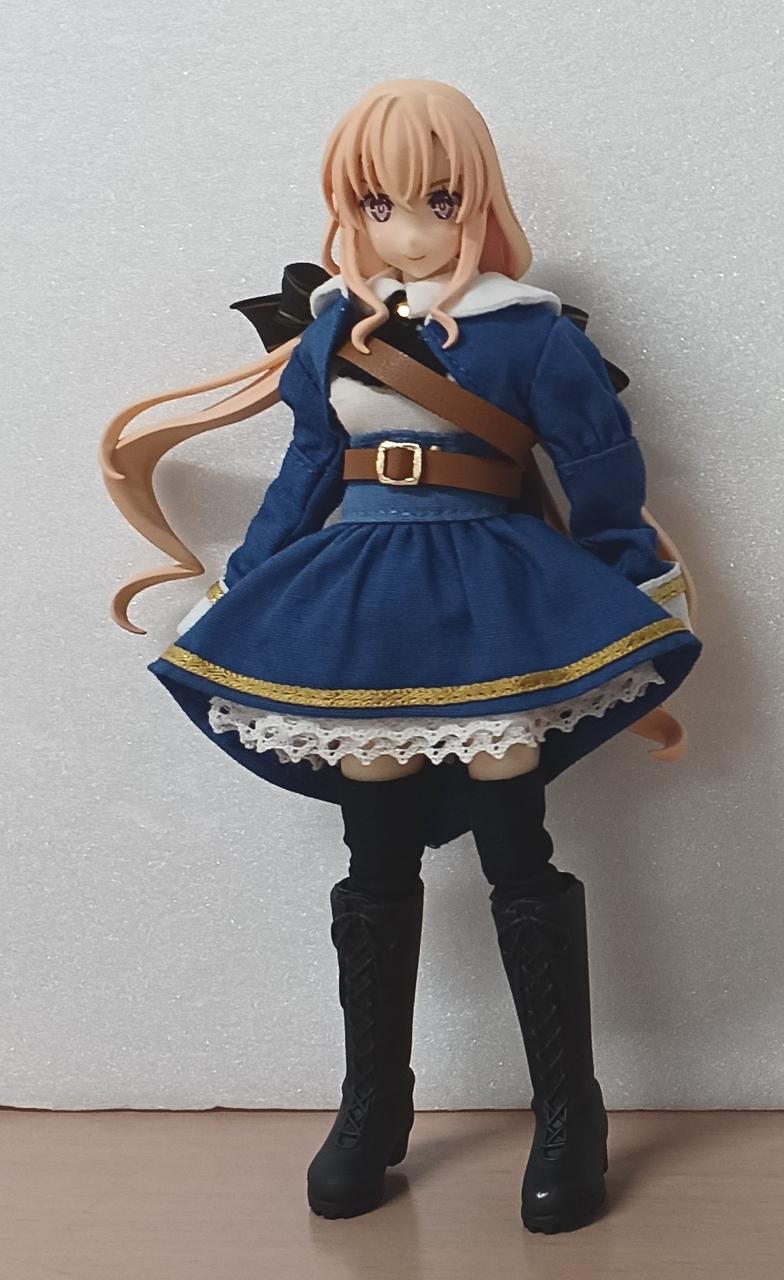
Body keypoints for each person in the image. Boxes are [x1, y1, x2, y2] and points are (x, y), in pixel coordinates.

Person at [101, 78, 702, 1234]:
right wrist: (245, 577)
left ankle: (567, 1109)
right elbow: (304, 470)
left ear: (478, 200)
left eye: (437, 199)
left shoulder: (528, 329)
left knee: (514, 836)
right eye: (379, 204)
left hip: (491, 590)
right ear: (349, 209)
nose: (411, 231)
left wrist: (628, 578)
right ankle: (372, 1102)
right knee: (371, 839)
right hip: (364, 598)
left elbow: (598, 463)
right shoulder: (334, 326)